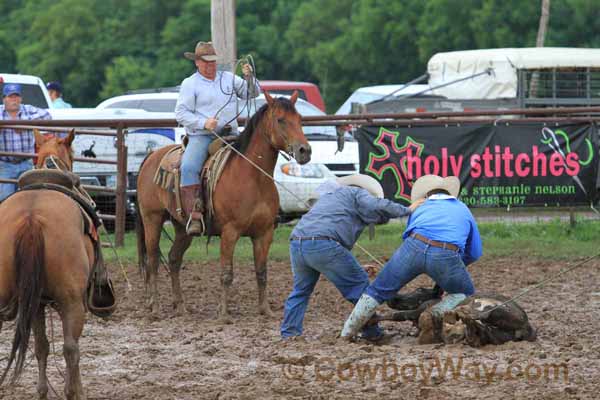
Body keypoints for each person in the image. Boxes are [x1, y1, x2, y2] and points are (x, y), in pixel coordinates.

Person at [280, 174, 424, 342]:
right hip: (324, 244)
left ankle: (289, 334)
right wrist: (407, 210)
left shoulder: (331, 198)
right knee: (360, 285)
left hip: (298, 243)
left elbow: (327, 237)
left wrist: (354, 264)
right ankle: (372, 333)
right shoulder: (356, 192)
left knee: (301, 291)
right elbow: (375, 205)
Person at [341, 174, 483, 340]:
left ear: (426, 195)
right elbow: (474, 253)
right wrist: (454, 267)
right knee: (465, 293)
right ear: (450, 194)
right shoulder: (463, 209)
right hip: (446, 252)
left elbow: (407, 236)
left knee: (376, 291)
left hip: (412, 246)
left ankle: (347, 333)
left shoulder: (421, 207)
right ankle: (432, 314)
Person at [175, 41, 260, 236]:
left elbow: (252, 93)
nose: (210, 65)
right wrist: (204, 123)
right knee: (188, 167)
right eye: (205, 62)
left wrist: (249, 78)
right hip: (203, 136)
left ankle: (257, 207)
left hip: (232, 134)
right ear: (197, 62)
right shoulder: (190, 84)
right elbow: (181, 113)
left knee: (255, 160)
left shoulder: (229, 78)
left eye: (212, 61)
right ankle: (194, 215)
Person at [0, 83, 52, 201]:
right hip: (5, 164)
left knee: (29, 199)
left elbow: (47, 116)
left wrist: (26, 124)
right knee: (4, 199)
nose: (14, 99)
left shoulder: (28, 110)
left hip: (26, 162)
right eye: (10, 96)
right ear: (4, 99)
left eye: (16, 96)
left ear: (20, 98)